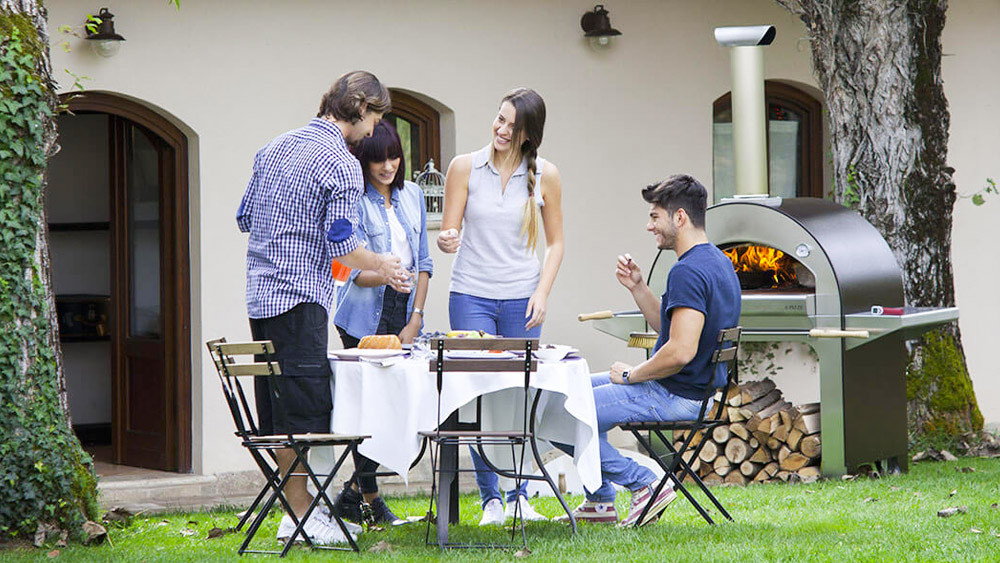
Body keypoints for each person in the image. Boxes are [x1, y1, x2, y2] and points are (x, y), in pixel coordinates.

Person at [237, 71, 409, 545]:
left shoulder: (273, 147)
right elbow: (344, 245)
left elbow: (244, 217)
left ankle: (303, 511)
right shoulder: (340, 162)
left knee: (281, 412)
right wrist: (383, 264)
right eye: (375, 117)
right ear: (360, 107)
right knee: (305, 415)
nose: (374, 129)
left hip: (260, 297)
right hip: (300, 298)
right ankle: (301, 516)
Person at [558, 175, 740, 527]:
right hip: (693, 390)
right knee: (566, 392)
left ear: (680, 217)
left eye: (655, 216)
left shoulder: (688, 271)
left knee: (560, 416)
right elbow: (673, 330)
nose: (649, 226)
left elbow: (681, 351)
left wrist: (631, 375)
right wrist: (638, 287)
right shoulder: (718, 262)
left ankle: (644, 482)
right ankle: (600, 501)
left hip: (674, 394)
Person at [436, 88, 564, 526]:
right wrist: (446, 239)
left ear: (529, 134)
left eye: (513, 125)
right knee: (478, 396)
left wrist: (541, 292)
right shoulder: (464, 167)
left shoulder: (546, 175)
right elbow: (450, 232)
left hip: (522, 299)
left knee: (516, 396)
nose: (502, 129)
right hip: (470, 295)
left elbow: (556, 244)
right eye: (500, 118)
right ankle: (491, 499)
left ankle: (519, 494)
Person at [331, 120, 433, 525]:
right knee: (372, 407)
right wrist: (387, 275)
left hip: (403, 308)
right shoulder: (355, 200)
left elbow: (424, 263)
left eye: (394, 157)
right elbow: (354, 272)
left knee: (399, 401)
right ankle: (370, 498)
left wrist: (416, 318)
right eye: (378, 160)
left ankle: (354, 493)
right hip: (362, 312)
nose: (388, 167)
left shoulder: (414, 195)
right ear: (364, 162)